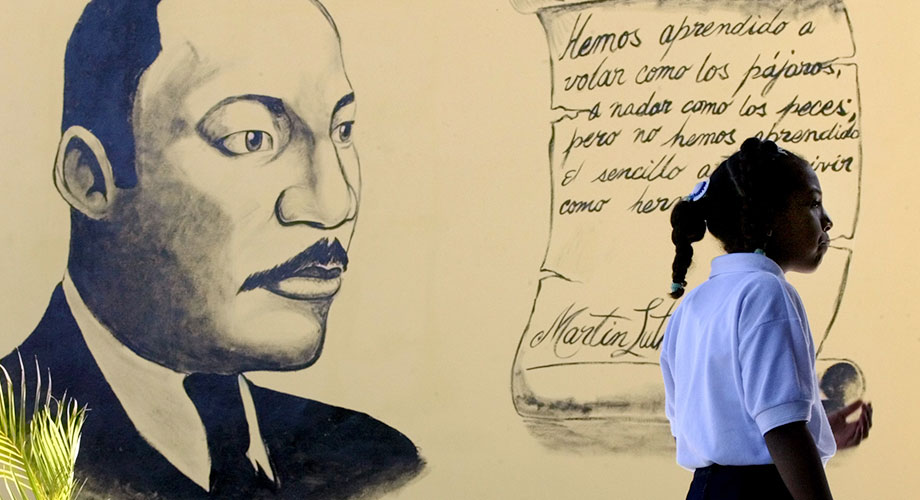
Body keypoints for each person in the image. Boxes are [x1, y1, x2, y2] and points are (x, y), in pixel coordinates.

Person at [0, 0, 423, 498]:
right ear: (91, 179)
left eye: (342, 130)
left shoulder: (376, 462)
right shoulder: (16, 457)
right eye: (250, 138)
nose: (335, 203)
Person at [659, 138, 872, 500]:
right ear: (769, 218)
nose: (827, 220)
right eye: (813, 203)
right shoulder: (767, 292)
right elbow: (782, 429)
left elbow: (708, 425)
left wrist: (819, 431)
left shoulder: (693, 305)